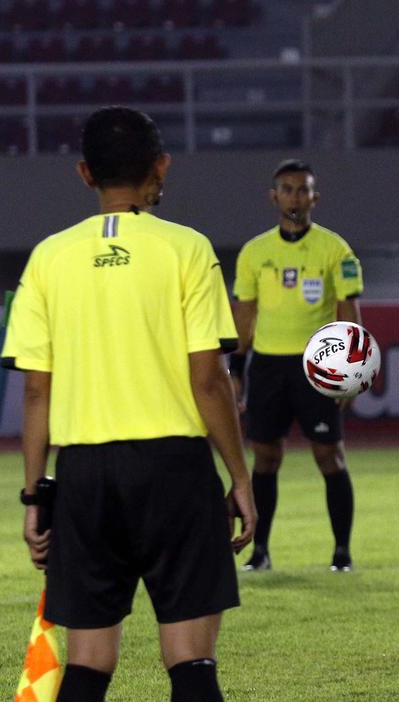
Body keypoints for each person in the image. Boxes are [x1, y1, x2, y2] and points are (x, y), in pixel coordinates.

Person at [2, 106, 256, 702]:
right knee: (191, 663)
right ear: (161, 165)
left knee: (87, 666)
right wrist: (240, 477)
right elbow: (210, 380)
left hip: (85, 476)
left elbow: (35, 390)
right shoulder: (188, 250)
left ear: (85, 174)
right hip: (175, 470)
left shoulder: (46, 258)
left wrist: (36, 494)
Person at [230, 159, 364, 572]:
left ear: (314, 198)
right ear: (274, 197)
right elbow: (245, 316)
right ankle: (261, 551)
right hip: (267, 368)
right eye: (287, 189)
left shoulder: (335, 249)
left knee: (330, 457)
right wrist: (236, 371)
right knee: (265, 459)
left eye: (303, 189)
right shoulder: (255, 252)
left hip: (317, 368)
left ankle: (341, 553)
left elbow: (348, 312)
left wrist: (351, 372)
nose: (295, 196)